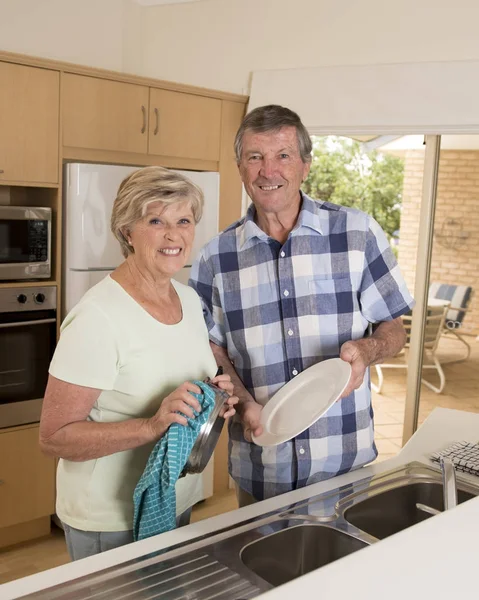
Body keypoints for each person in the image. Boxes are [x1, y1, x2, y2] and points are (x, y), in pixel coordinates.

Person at [189, 105, 414, 505]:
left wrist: (367, 350)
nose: (268, 171)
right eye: (255, 157)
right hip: (262, 468)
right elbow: (211, 348)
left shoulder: (356, 233)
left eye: (283, 156)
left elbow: (393, 329)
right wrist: (242, 403)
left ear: (305, 166)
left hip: (344, 464)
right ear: (241, 168)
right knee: (260, 569)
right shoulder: (214, 258)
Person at [39, 166, 238, 560]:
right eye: (155, 220)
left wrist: (213, 399)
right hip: (110, 517)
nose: (173, 235)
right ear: (127, 231)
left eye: (183, 220)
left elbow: (185, 381)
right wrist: (152, 425)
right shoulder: (98, 317)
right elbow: (54, 437)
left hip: (174, 497)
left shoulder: (188, 301)